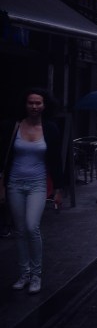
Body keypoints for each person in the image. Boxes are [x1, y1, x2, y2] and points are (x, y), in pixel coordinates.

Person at [1, 88, 65, 295]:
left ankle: (36, 274)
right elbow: (4, 155)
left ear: (45, 105)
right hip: (14, 184)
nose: (34, 106)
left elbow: (56, 160)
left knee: (31, 227)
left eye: (38, 103)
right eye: (31, 103)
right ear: (25, 105)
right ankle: (24, 273)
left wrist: (58, 188)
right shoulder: (13, 126)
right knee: (19, 230)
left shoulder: (51, 129)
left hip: (37, 184)